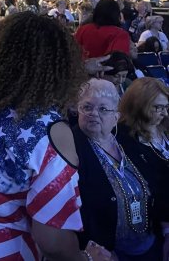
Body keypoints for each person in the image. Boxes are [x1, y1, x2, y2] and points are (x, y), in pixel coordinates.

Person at [0, 12, 110, 260]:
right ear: (60, 67)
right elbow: (52, 239)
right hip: (0, 251)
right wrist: (86, 258)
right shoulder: (50, 130)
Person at [72, 78, 164, 259]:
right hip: (106, 252)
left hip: (151, 243)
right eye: (87, 107)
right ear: (78, 111)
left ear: (116, 117)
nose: (93, 113)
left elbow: (158, 181)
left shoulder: (127, 138)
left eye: (103, 109)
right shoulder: (72, 146)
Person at [118, 78, 169, 248]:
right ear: (140, 104)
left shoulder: (165, 127)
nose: (164, 113)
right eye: (158, 108)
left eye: (166, 107)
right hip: (153, 224)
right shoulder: (124, 138)